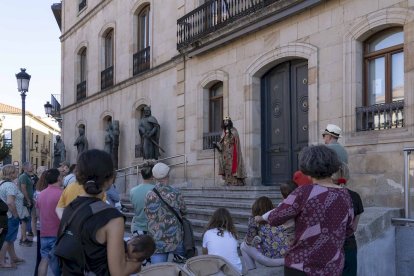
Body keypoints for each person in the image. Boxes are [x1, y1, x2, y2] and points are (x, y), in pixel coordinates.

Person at [256, 145, 354, 276]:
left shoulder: (304, 192)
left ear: (308, 167)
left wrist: (262, 218)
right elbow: (349, 229)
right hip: (333, 267)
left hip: (302, 265)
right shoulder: (345, 195)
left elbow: (275, 218)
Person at [57, 149, 142, 275]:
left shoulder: (71, 207)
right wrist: (138, 264)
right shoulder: (113, 218)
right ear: (110, 178)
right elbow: (118, 272)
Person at [144, 162, 187, 263]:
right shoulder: (176, 193)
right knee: (180, 269)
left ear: (154, 176)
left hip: (157, 240)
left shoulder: (149, 194)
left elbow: (147, 214)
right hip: (175, 239)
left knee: (159, 271)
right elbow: (184, 211)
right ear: (167, 175)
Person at [240, 196, 293, 274]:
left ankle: (251, 272)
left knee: (243, 246)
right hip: (286, 258)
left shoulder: (255, 219)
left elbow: (249, 241)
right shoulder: (278, 217)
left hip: (270, 260)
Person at [36, 169, 63, 276]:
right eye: (61, 176)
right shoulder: (62, 193)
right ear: (58, 178)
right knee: (57, 262)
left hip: (44, 232)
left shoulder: (41, 194)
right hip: (57, 233)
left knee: (44, 259)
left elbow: (38, 213)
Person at [0, 165, 26, 269]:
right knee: (7, 239)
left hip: (5, 216)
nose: (17, 173)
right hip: (10, 216)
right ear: (11, 174)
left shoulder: (2, 183)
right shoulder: (10, 185)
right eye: (16, 171)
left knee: (10, 239)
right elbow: (10, 202)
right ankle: (2, 262)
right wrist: (15, 214)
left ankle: (14, 257)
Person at [202, 208, 242, 273]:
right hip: (235, 272)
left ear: (213, 220)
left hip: (215, 272)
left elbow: (205, 254)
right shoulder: (234, 234)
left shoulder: (208, 233)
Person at [214, 116, 246, 186]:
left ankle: (235, 181)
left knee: (232, 165)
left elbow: (235, 141)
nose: (225, 122)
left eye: (227, 121)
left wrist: (230, 138)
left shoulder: (234, 130)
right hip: (225, 152)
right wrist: (217, 145)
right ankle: (228, 181)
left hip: (232, 151)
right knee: (226, 166)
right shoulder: (224, 132)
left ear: (229, 122)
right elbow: (221, 143)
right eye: (224, 121)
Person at [342, 187, 364, 276]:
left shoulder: (315, 194)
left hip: (324, 248)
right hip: (347, 245)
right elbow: (353, 228)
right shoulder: (354, 196)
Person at [130, 165, 155, 235]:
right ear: (153, 175)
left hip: (138, 229)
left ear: (141, 175)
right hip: (153, 229)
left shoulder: (132, 191)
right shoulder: (157, 190)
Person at [33, 170, 49, 276]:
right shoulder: (51, 192)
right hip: (51, 227)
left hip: (40, 225)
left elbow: (36, 213)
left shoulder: (37, 192)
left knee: (40, 256)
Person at [18, 162, 34, 247]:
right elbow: (23, 189)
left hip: (27, 201)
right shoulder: (24, 176)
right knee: (24, 220)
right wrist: (28, 200)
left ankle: (22, 238)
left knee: (25, 220)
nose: (33, 167)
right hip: (24, 202)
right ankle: (23, 239)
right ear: (25, 168)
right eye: (31, 166)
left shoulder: (27, 176)